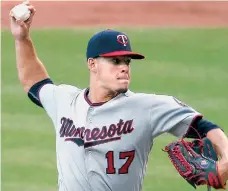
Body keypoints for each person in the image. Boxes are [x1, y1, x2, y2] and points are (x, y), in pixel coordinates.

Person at [9, 2, 228, 191]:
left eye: (126, 62)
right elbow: (35, 83)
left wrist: (225, 161)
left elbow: (204, 126)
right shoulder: (65, 101)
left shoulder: (146, 107)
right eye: (115, 61)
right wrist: (22, 39)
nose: (123, 68)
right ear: (92, 64)